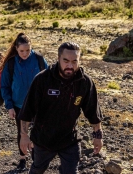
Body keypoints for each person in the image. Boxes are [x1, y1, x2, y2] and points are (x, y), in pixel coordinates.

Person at [19, 42, 103, 174]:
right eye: (66, 61)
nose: (70, 65)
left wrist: (98, 135)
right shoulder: (42, 79)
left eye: (74, 61)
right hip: (43, 139)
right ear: (58, 59)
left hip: (69, 139)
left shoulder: (84, 82)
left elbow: (93, 112)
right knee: (38, 169)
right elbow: (27, 111)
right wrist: (24, 136)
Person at [0, 33, 48, 171]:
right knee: (22, 132)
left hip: (38, 105)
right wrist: (9, 106)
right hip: (19, 106)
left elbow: (48, 80)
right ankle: (22, 158)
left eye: (28, 50)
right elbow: (5, 86)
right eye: (21, 51)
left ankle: (35, 157)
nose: (25, 53)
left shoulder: (39, 59)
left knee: (37, 132)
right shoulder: (11, 63)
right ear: (16, 48)